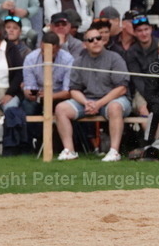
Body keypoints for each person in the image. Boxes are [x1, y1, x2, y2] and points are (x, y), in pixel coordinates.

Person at [54, 25, 131, 162]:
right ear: (84, 44)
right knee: (61, 109)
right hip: (88, 100)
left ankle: (114, 151)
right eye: (91, 40)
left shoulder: (115, 58)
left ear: (103, 41)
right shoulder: (78, 62)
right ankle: (69, 151)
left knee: (115, 107)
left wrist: (99, 104)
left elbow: (122, 88)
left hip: (114, 99)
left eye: (98, 38)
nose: (95, 41)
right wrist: (86, 102)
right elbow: (74, 89)